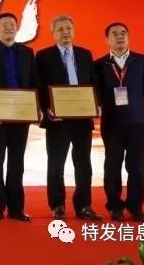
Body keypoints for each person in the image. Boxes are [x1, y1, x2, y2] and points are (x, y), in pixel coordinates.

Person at [35, 14, 101, 221]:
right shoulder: (43, 56)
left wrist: (96, 105)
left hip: (82, 118)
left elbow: (94, 82)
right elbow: (38, 85)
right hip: (57, 119)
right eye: (60, 29)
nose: (65, 33)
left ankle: (84, 206)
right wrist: (46, 109)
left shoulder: (84, 54)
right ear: (53, 33)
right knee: (56, 164)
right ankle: (57, 205)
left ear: (74, 31)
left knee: (84, 164)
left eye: (68, 29)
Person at [0, 12, 39, 222]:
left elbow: (33, 81)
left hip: (21, 116)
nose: (8, 27)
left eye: (12, 24)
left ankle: (16, 209)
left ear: (17, 27)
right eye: (4, 24)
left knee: (17, 163)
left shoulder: (27, 52)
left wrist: (35, 107)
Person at [94, 22, 144, 222]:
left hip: (137, 122)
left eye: (123, 33)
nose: (120, 37)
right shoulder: (99, 65)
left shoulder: (142, 61)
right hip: (112, 124)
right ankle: (115, 206)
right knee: (112, 165)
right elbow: (97, 93)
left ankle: (136, 207)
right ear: (107, 40)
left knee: (137, 166)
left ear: (128, 37)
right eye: (114, 34)